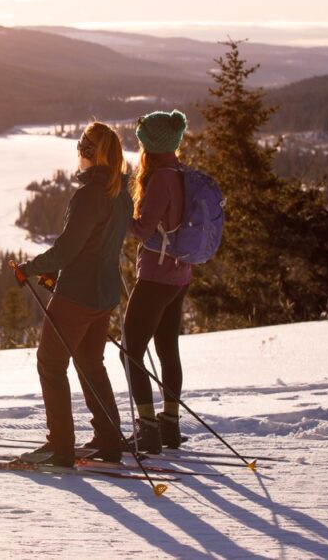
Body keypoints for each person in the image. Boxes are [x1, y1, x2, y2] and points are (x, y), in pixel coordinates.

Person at [18, 122, 132, 467]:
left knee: (51, 363)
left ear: (87, 153)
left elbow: (68, 249)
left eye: (81, 148)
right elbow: (94, 247)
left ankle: (60, 446)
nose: (78, 154)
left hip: (78, 296)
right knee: (89, 362)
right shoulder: (120, 193)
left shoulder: (89, 196)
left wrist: (31, 266)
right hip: (104, 293)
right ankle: (109, 438)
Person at [122, 109, 191, 453]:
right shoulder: (179, 172)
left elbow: (142, 230)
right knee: (167, 349)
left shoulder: (161, 178)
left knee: (130, 350)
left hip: (156, 276)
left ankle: (147, 430)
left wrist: (120, 203)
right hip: (179, 275)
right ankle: (170, 426)